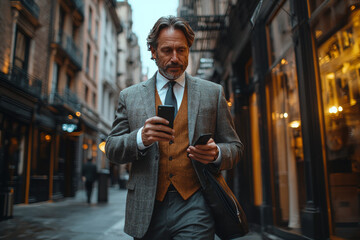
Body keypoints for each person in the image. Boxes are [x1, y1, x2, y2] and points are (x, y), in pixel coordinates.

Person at [106, 16, 243, 240]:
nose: (175, 58)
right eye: (167, 50)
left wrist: (217, 153)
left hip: (196, 205)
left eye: (181, 50)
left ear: (189, 50)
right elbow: (111, 148)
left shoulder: (213, 92)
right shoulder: (129, 96)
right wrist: (140, 138)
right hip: (147, 208)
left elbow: (235, 147)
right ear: (152, 51)